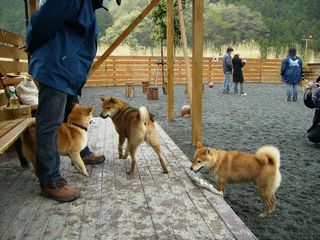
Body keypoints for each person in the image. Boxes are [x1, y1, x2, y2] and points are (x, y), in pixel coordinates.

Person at [25, 0, 119, 202]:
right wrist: (33, 47)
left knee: (72, 110)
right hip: (56, 67)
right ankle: (50, 179)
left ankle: (81, 150)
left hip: (67, 71)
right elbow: (43, 20)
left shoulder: (88, 6)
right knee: (49, 123)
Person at [304, 76, 320, 143]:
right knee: (312, 136)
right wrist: (309, 92)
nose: (318, 87)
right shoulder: (318, 94)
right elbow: (311, 104)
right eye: (318, 85)